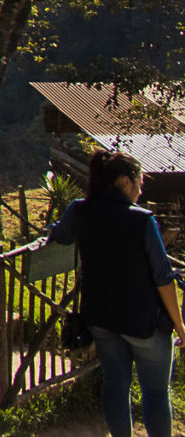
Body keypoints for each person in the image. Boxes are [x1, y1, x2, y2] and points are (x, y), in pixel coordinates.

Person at [47, 148, 185, 437]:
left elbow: (61, 235)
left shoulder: (80, 209)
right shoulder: (142, 220)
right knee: (157, 393)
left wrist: (51, 229)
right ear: (124, 182)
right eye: (139, 183)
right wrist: (180, 326)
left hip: (101, 318)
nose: (141, 189)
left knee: (116, 385)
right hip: (144, 321)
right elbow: (163, 278)